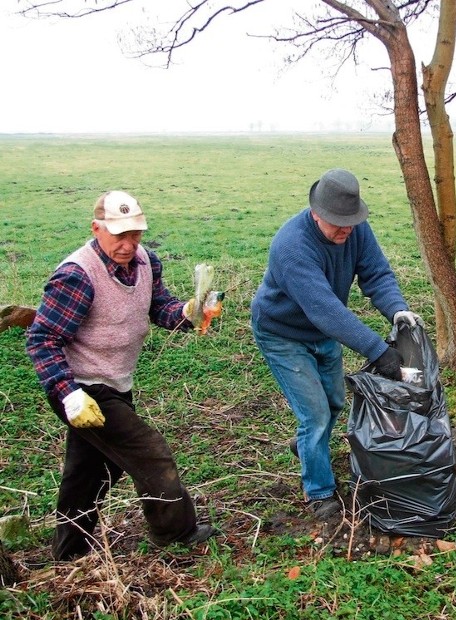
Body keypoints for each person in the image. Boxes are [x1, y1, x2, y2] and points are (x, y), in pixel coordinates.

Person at [26, 190, 218, 561]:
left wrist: (188, 312)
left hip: (114, 380)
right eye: (119, 235)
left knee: (91, 472)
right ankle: (176, 532)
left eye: (136, 234)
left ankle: (69, 552)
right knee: (150, 454)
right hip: (82, 386)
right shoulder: (77, 276)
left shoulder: (147, 262)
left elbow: (157, 307)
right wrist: (69, 394)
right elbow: (42, 338)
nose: (129, 245)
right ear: (97, 228)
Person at [251, 168, 423, 521]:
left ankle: (305, 448)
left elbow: (376, 273)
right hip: (283, 334)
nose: (346, 229)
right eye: (337, 223)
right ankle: (319, 492)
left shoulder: (355, 230)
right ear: (316, 213)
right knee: (313, 414)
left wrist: (397, 310)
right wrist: (379, 351)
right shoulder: (292, 247)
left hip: (322, 334)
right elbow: (325, 309)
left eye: (351, 221)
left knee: (333, 403)